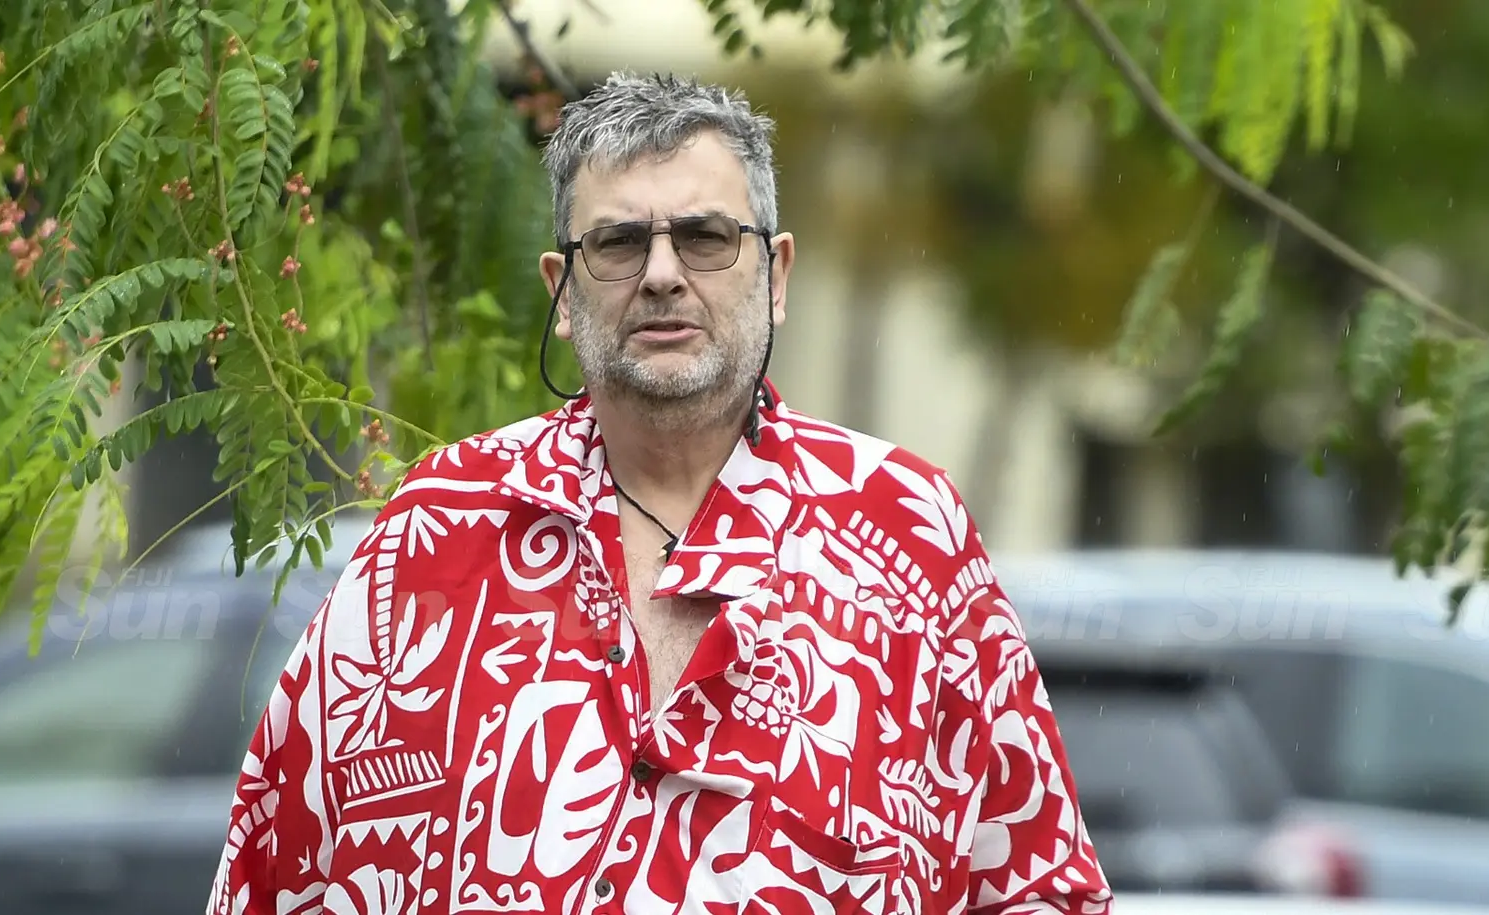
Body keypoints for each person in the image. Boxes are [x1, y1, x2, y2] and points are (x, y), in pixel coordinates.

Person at [206, 71, 1112, 915]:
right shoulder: (438, 525)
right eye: (620, 241)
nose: (664, 272)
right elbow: (271, 866)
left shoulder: (906, 528)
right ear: (562, 293)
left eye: (707, 236)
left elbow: (1040, 884)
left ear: (778, 273)